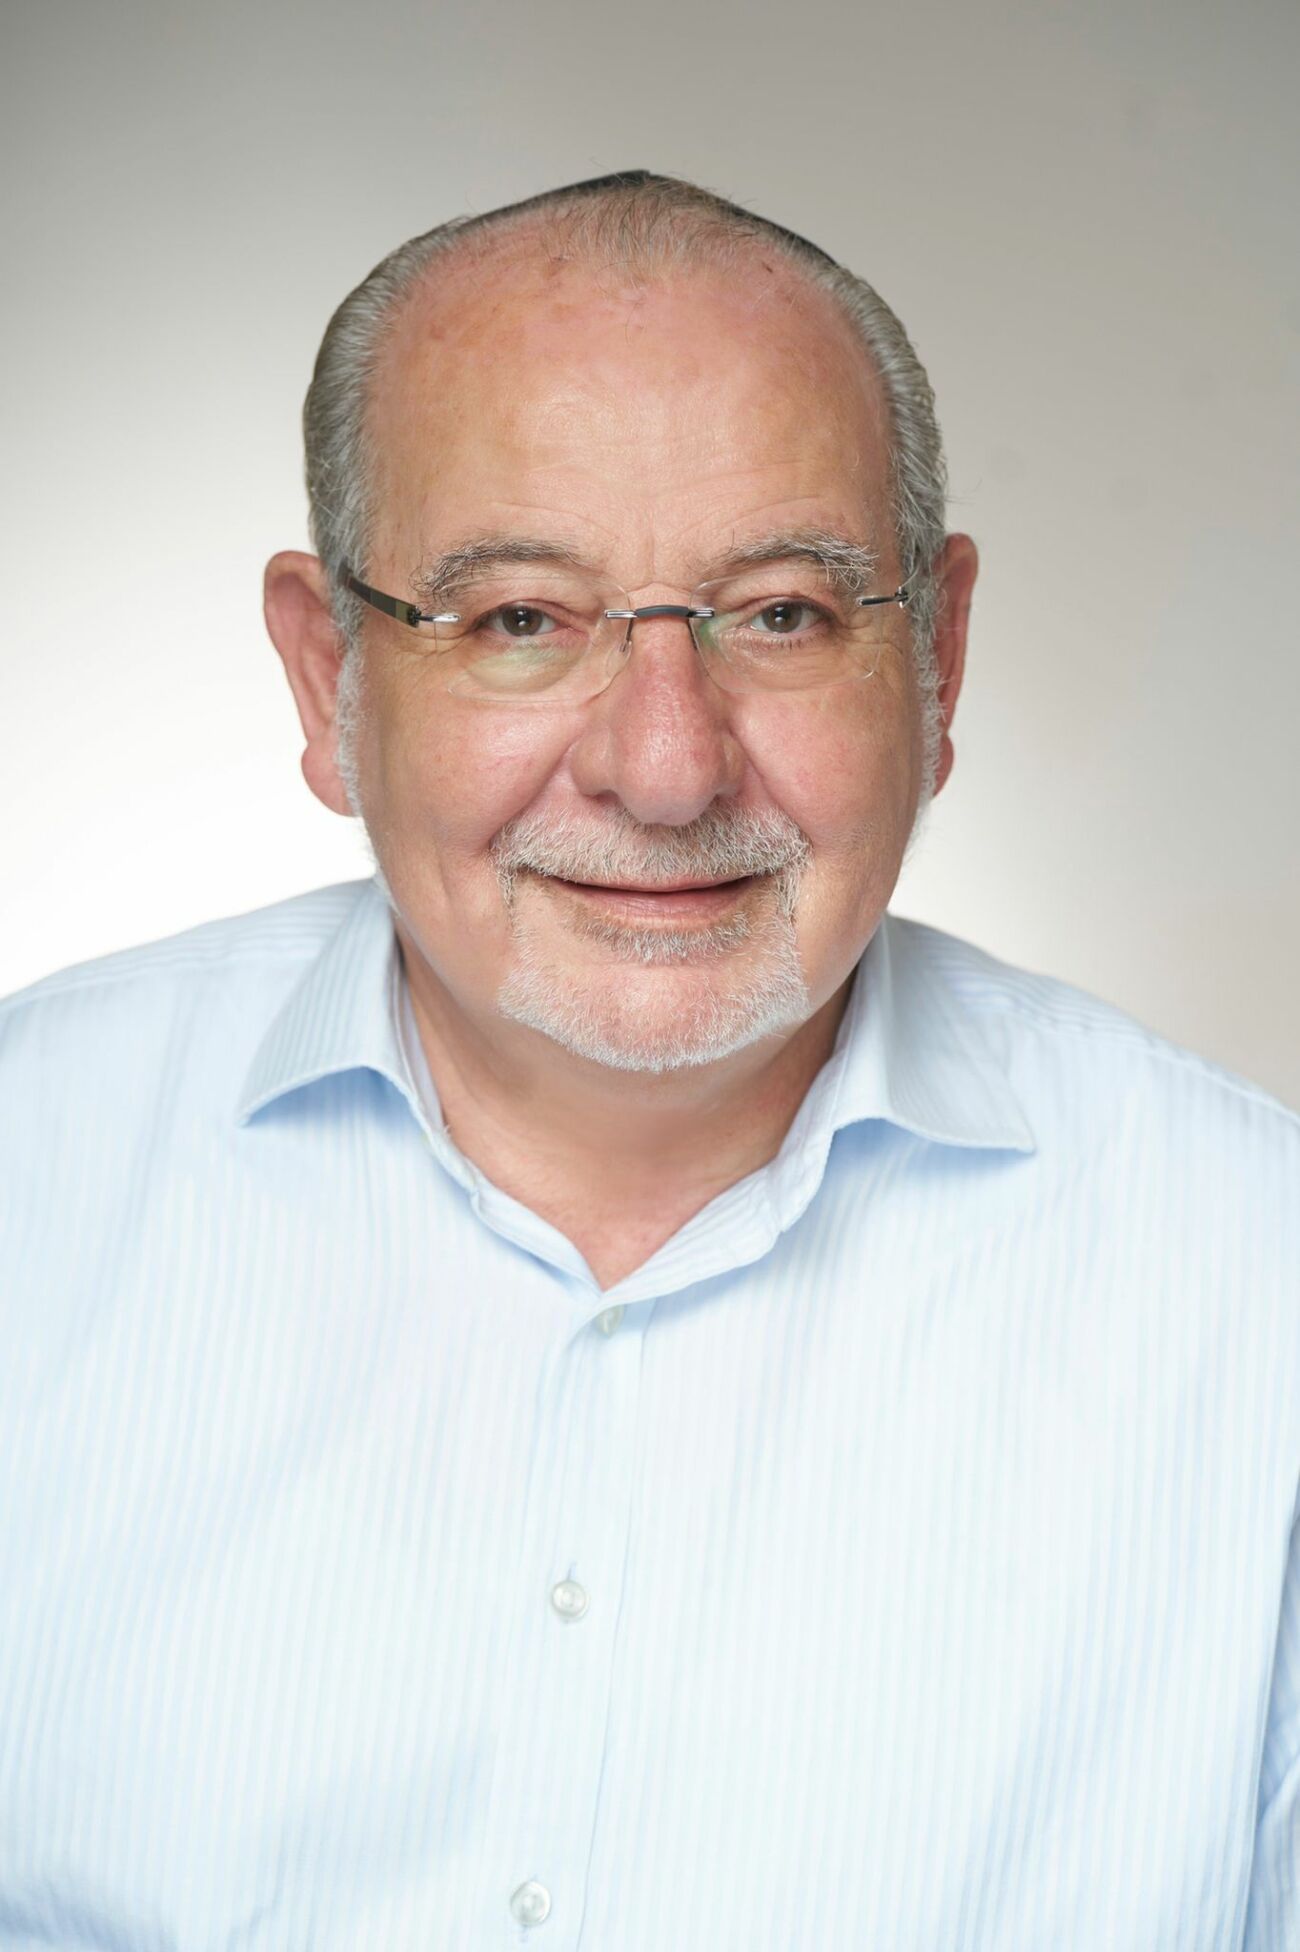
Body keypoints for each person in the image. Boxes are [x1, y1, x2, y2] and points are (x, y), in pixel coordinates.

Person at [1, 170, 1296, 1949]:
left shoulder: (1259, 1285)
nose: (667, 770)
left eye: (783, 613)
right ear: (327, 679)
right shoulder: (30, 1173)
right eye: (521, 620)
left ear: (937, 660)